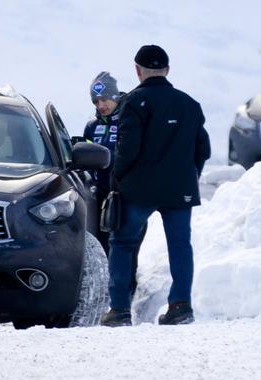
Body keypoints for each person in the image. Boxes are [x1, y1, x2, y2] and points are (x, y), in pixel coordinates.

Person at [101, 45, 211, 327]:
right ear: (168, 70)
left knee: (122, 243)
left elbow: (128, 149)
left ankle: (120, 310)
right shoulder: (190, 104)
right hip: (179, 189)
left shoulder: (133, 103)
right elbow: (203, 148)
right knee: (179, 245)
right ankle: (180, 306)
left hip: (138, 189)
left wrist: (117, 178)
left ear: (137, 71)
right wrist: (189, 176)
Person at [83, 71, 145, 299]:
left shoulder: (130, 119)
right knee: (103, 246)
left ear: (116, 96)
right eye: (96, 101)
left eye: (104, 100)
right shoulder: (91, 127)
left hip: (126, 193)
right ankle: (106, 294)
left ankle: (127, 293)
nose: (101, 105)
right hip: (100, 197)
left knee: (128, 245)